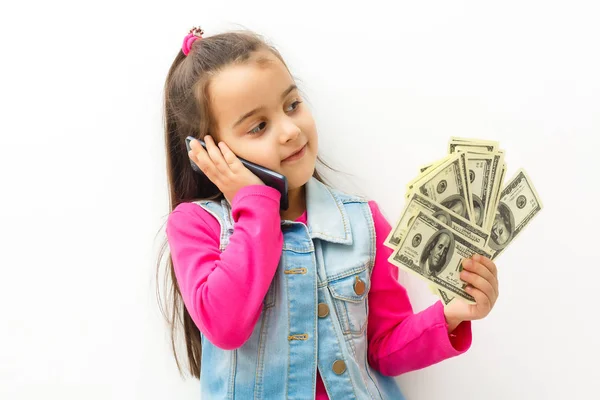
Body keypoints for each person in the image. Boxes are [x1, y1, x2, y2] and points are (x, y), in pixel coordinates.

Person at [158, 26, 500, 400]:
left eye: (292, 105)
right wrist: (254, 205)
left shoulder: (362, 223)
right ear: (206, 153)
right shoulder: (196, 226)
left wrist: (450, 315)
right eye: (258, 126)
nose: (290, 130)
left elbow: (382, 350)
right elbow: (226, 325)